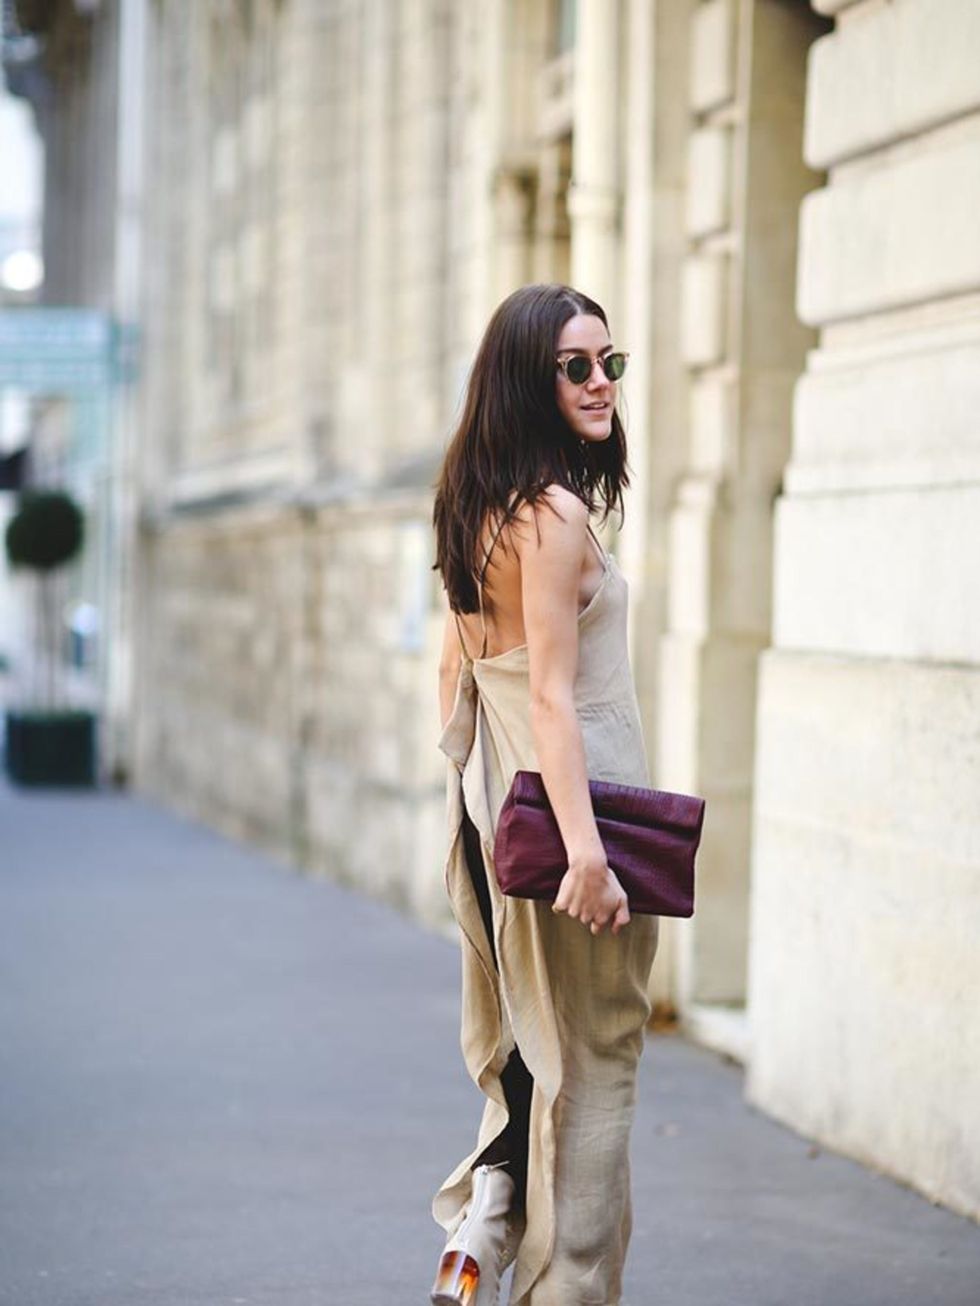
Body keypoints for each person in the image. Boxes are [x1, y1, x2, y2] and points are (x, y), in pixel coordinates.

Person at [429, 283, 659, 1306]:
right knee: (594, 1070)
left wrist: (476, 823)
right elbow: (555, 703)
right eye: (576, 366)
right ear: (531, 379)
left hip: (499, 825)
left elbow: (457, 684)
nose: (600, 382)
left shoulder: (476, 509)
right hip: (574, 828)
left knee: (533, 1062)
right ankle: (566, 1288)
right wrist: (587, 853)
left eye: (609, 362)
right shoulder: (555, 514)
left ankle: (478, 1238)